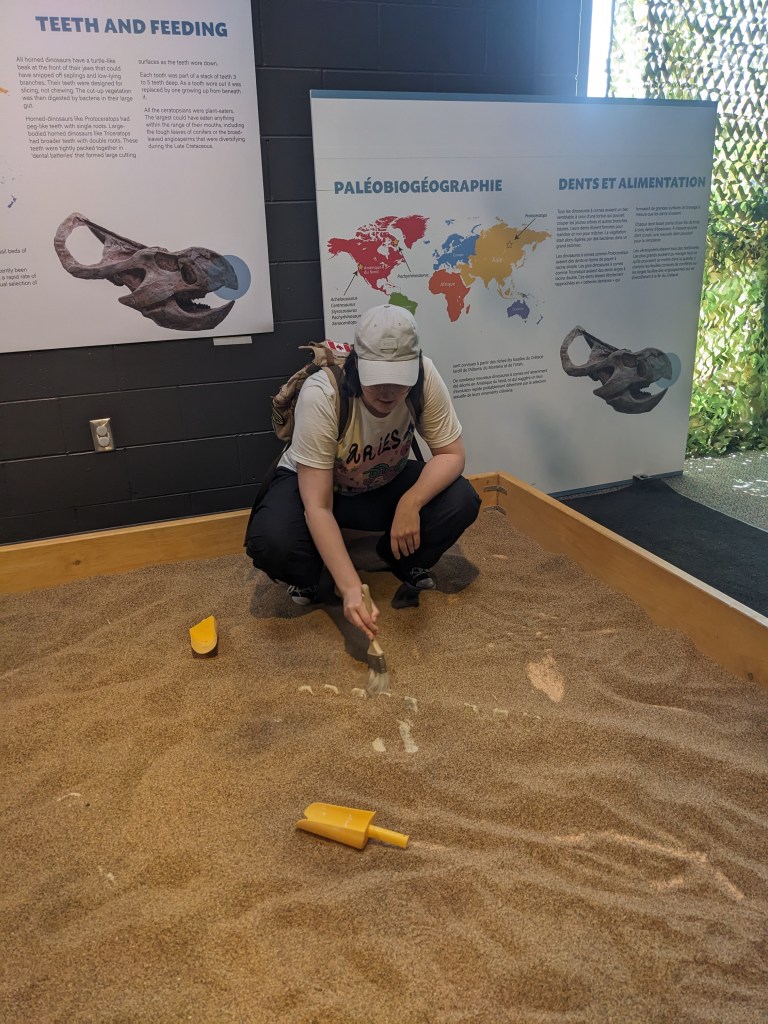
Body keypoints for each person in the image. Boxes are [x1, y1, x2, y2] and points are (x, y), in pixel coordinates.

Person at [245, 304, 481, 640]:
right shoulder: (323, 393)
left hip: (383, 478)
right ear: (357, 366)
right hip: (324, 487)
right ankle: (312, 577)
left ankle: (399, 560)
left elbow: (452, 454)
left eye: (398, 381)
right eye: (377, 381)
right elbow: (318, 505)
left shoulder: (425, 376)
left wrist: (410, 503)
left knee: (461, 498)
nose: (388, 392)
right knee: (272, 541)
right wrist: (351, 587)